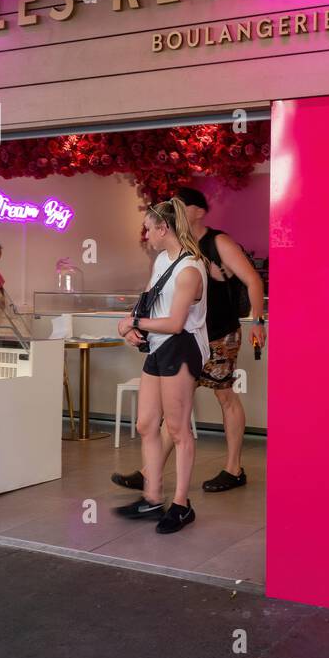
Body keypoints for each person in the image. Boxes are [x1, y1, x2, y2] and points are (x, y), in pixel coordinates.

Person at [112, 187, 266, 494]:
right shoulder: (169, 255)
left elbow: (252, 279)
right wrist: (135, 322)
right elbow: (151, 294)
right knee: (176, 412)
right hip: (181, 339)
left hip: (219, 332)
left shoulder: (216, 242)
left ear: (196, 211)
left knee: (224, 396)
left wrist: (257, 320)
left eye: (179, 205)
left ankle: (233, 468)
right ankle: (150, 473)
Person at [114, 198, 209, 534]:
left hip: (181, 348)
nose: (146, 234)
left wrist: (133, 320)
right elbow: (151, 305)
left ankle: (182, 505)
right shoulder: (161, 261)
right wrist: (133, 327)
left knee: (178, 431)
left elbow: (175, 323)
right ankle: (152, 496)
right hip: (158, 348)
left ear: (163, 228)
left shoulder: (189, 269)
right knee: (145, 424)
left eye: (148, 228)